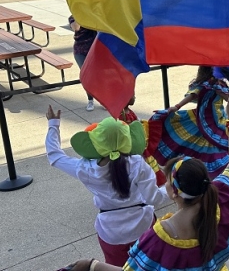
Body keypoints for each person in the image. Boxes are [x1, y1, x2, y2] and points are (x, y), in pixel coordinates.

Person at [65, 99, 229, 271]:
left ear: (174, 193)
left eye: (167, 181)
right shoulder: (221, 193)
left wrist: (92, 265)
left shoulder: (162, 235)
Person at [45, 106, 169, 266]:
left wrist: (53, 124)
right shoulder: (138, 163)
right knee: (150, 266)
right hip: (143, 225)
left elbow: (54, 156)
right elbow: (155, 198)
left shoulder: (86, 169)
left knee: (116, 268)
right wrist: (169, 187)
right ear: (128, 140)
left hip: (110, 232)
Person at [151, 66, 229, 178]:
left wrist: (177, 107)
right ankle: (204, 169)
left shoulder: (218, 84)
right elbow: (192, 95)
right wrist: (176, 106)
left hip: (213, 118)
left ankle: (204, 169)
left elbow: (228, 98)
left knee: (207, 142)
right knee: (210, 142)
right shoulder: (207, 84)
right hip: (206, 117)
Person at [69, 15, 98, 111]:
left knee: (100, 75)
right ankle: (90, 100)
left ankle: (104, 100)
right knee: (87, 76)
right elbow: (76, 28)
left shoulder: (93, 14)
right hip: (80, 51)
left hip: (95, 50)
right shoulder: (73, 17)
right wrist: (79, 14)